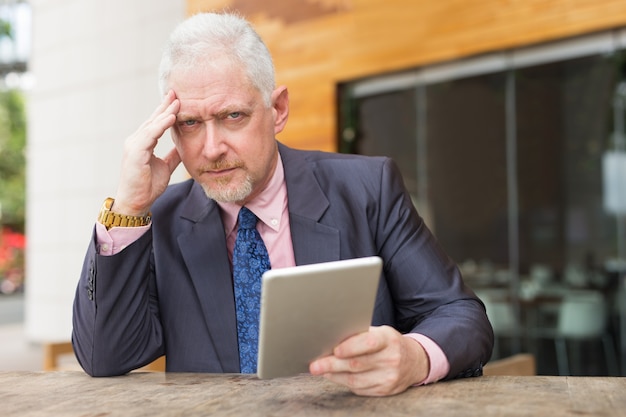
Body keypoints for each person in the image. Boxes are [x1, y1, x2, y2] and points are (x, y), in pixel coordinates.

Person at [72, 12, 493, 397]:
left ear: (278, 110)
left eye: (233, 116)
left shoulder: (367, 188)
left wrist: (414, 357)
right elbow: (103, 356)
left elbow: (462, 316)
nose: (212, 148)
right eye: (190, 124)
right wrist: (129, 205)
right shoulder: (157, 219)